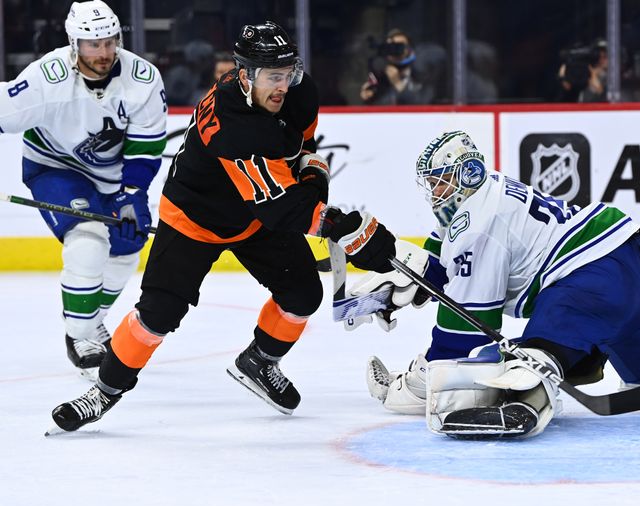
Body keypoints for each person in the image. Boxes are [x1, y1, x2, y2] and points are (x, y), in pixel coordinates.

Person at [48, 21, 397, 433]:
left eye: (287, 74)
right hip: (194, 218)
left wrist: (315, 183)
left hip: (254, 217)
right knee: (158, 315)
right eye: (272, 77)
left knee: (303, 294)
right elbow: (281, 209)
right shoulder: (234, 123)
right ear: (246, 75)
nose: (283, 86)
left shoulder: (300, 93)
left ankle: (259, 362)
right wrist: (342, 228)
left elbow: (304, 150)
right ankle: (104, 390)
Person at [348, 130, 640, 439]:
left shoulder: (473, 223)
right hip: (631, 267)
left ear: (462, 174)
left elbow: (464, 330)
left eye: (440, 182)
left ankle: (521, 398)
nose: (435, 193)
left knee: (534, 355)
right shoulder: (494, 189)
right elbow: (454, 254)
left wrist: (417, 382)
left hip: (588, 284)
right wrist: (416, 277)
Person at [0, 1, 166, 379]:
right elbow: (3, 110)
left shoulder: (142, 78)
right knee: (89, 241)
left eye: (110, 42)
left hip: (115, 177)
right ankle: (79, 336)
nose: (104, 53)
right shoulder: (48, 77)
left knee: (127, 249)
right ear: (74, 44)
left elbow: (145, 145)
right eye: (93, 45)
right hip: (55, 167)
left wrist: (134, 194)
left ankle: (93, 321)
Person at [359, 29, 435, 105]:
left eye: (400, 46)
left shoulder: (421, 75)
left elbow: (422, 105)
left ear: (409, 49)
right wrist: (368, 96)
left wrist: (398, 83)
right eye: (390, 46)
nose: (394, 50)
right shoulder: (379, 76)